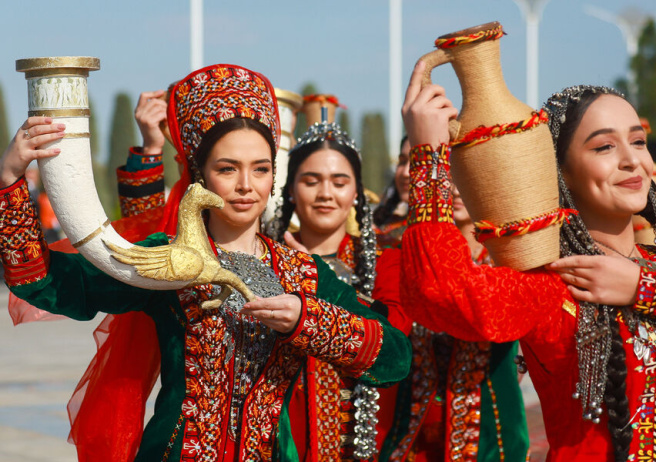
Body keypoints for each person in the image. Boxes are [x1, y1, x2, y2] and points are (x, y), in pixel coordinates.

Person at [0, 63, 411, 462]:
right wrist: (9, 183)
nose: (246, 186)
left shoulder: (303, 273)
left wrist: (307, 319)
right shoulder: (175, 259)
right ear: (200, 176)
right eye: (228, 169)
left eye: (261, 169)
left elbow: (394, 359)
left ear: (274, 177)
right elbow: (43, 282)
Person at [398, 60, 656, 461]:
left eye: (638, 141)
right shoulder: (556, 281)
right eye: (605, 146)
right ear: (561, 172)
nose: (631, 160)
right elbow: (439, 292)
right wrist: (428, 154)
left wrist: (642, 288)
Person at [372, 184, 529, 461]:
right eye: (447, 177)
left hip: (490, 427)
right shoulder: (405, 254)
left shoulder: (511, 260)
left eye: (465, 176)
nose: (456, 191)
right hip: (411, 422)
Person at [268, 121, 382, 460]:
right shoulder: (265, 259)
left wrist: (316, 278)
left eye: (339, 181)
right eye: (311, 180)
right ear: (291, 189)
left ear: (357, 192)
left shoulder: (386, 265)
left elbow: (390, 340)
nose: (325, 194)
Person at [373, 136, 411, 249]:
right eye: (402, 162)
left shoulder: (453, 231)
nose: (405, 173)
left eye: (417, 162)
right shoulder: (382, 229)